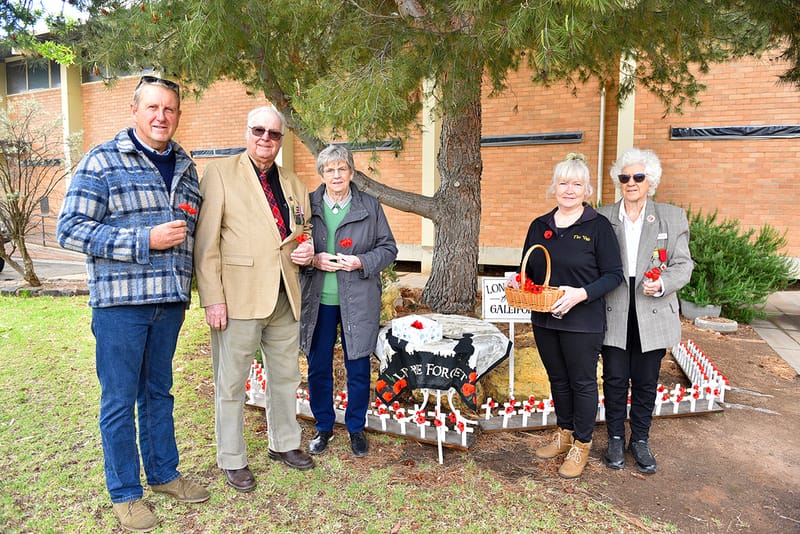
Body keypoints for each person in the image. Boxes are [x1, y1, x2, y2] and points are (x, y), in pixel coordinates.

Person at [56, 75, 209, 532]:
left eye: (170, 109)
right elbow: (71, 228)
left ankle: (163, 474)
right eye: (153, 108)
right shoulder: (102, 161)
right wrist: (144, 239)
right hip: (121, 306)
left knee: (158, 393)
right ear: (134, 109)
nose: (162, 117)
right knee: (120, 400)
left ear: (179, 114)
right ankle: (125, 493)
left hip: (169, 304)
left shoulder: (185, 166)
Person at [193, 105, 315, 493]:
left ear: (282, 139)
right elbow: (206, 243)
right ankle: (232, 457)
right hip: (238, 298)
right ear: (247, 132)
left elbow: (303, 228)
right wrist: (212, 297)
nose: (266, 138)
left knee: (286, 376)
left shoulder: (294, 182)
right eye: (258, 130)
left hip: (285, 295)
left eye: (274, 134)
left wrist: (307, 247)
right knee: (231, 382)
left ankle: (285, 443)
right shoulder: (219, 174)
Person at [521, 152, 624, 479]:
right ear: (555, 187)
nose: (569, 189)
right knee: (558, 378)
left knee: (581, 382)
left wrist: (581, 294)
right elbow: (530, 269)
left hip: (583, 320)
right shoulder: (540, 226)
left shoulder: (598, 227)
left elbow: (613, 275)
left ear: (587, 189)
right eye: (564, 183)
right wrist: (518, 280)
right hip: (545, 317)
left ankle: (582, 442)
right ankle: (564, 433)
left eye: (576, 184)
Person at [597, 148, 693, 474]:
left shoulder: (672, 216)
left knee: (646, 380)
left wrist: (664, 283)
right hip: (614, 309)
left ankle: (639, 439)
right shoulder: (603, 217)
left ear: (650, 181)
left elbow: (683, 265)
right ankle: (613, 437)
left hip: (652, 309)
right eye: (625, 177)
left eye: (638, 177)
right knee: (613, 378)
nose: (631, 183)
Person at [299, 145, 397, 458]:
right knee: (318, 366)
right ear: (322, 174)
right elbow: (292, 248)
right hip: (319, 300)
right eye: (330, 169)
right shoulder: (308, 205)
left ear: (352, 172)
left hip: (357, 299)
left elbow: (388, 248)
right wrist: (313, 259)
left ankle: (356, 427)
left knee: (357, 364)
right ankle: (323, 425)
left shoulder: (369, 205)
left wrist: (361, 262)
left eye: (342, 168)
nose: (337, 175)